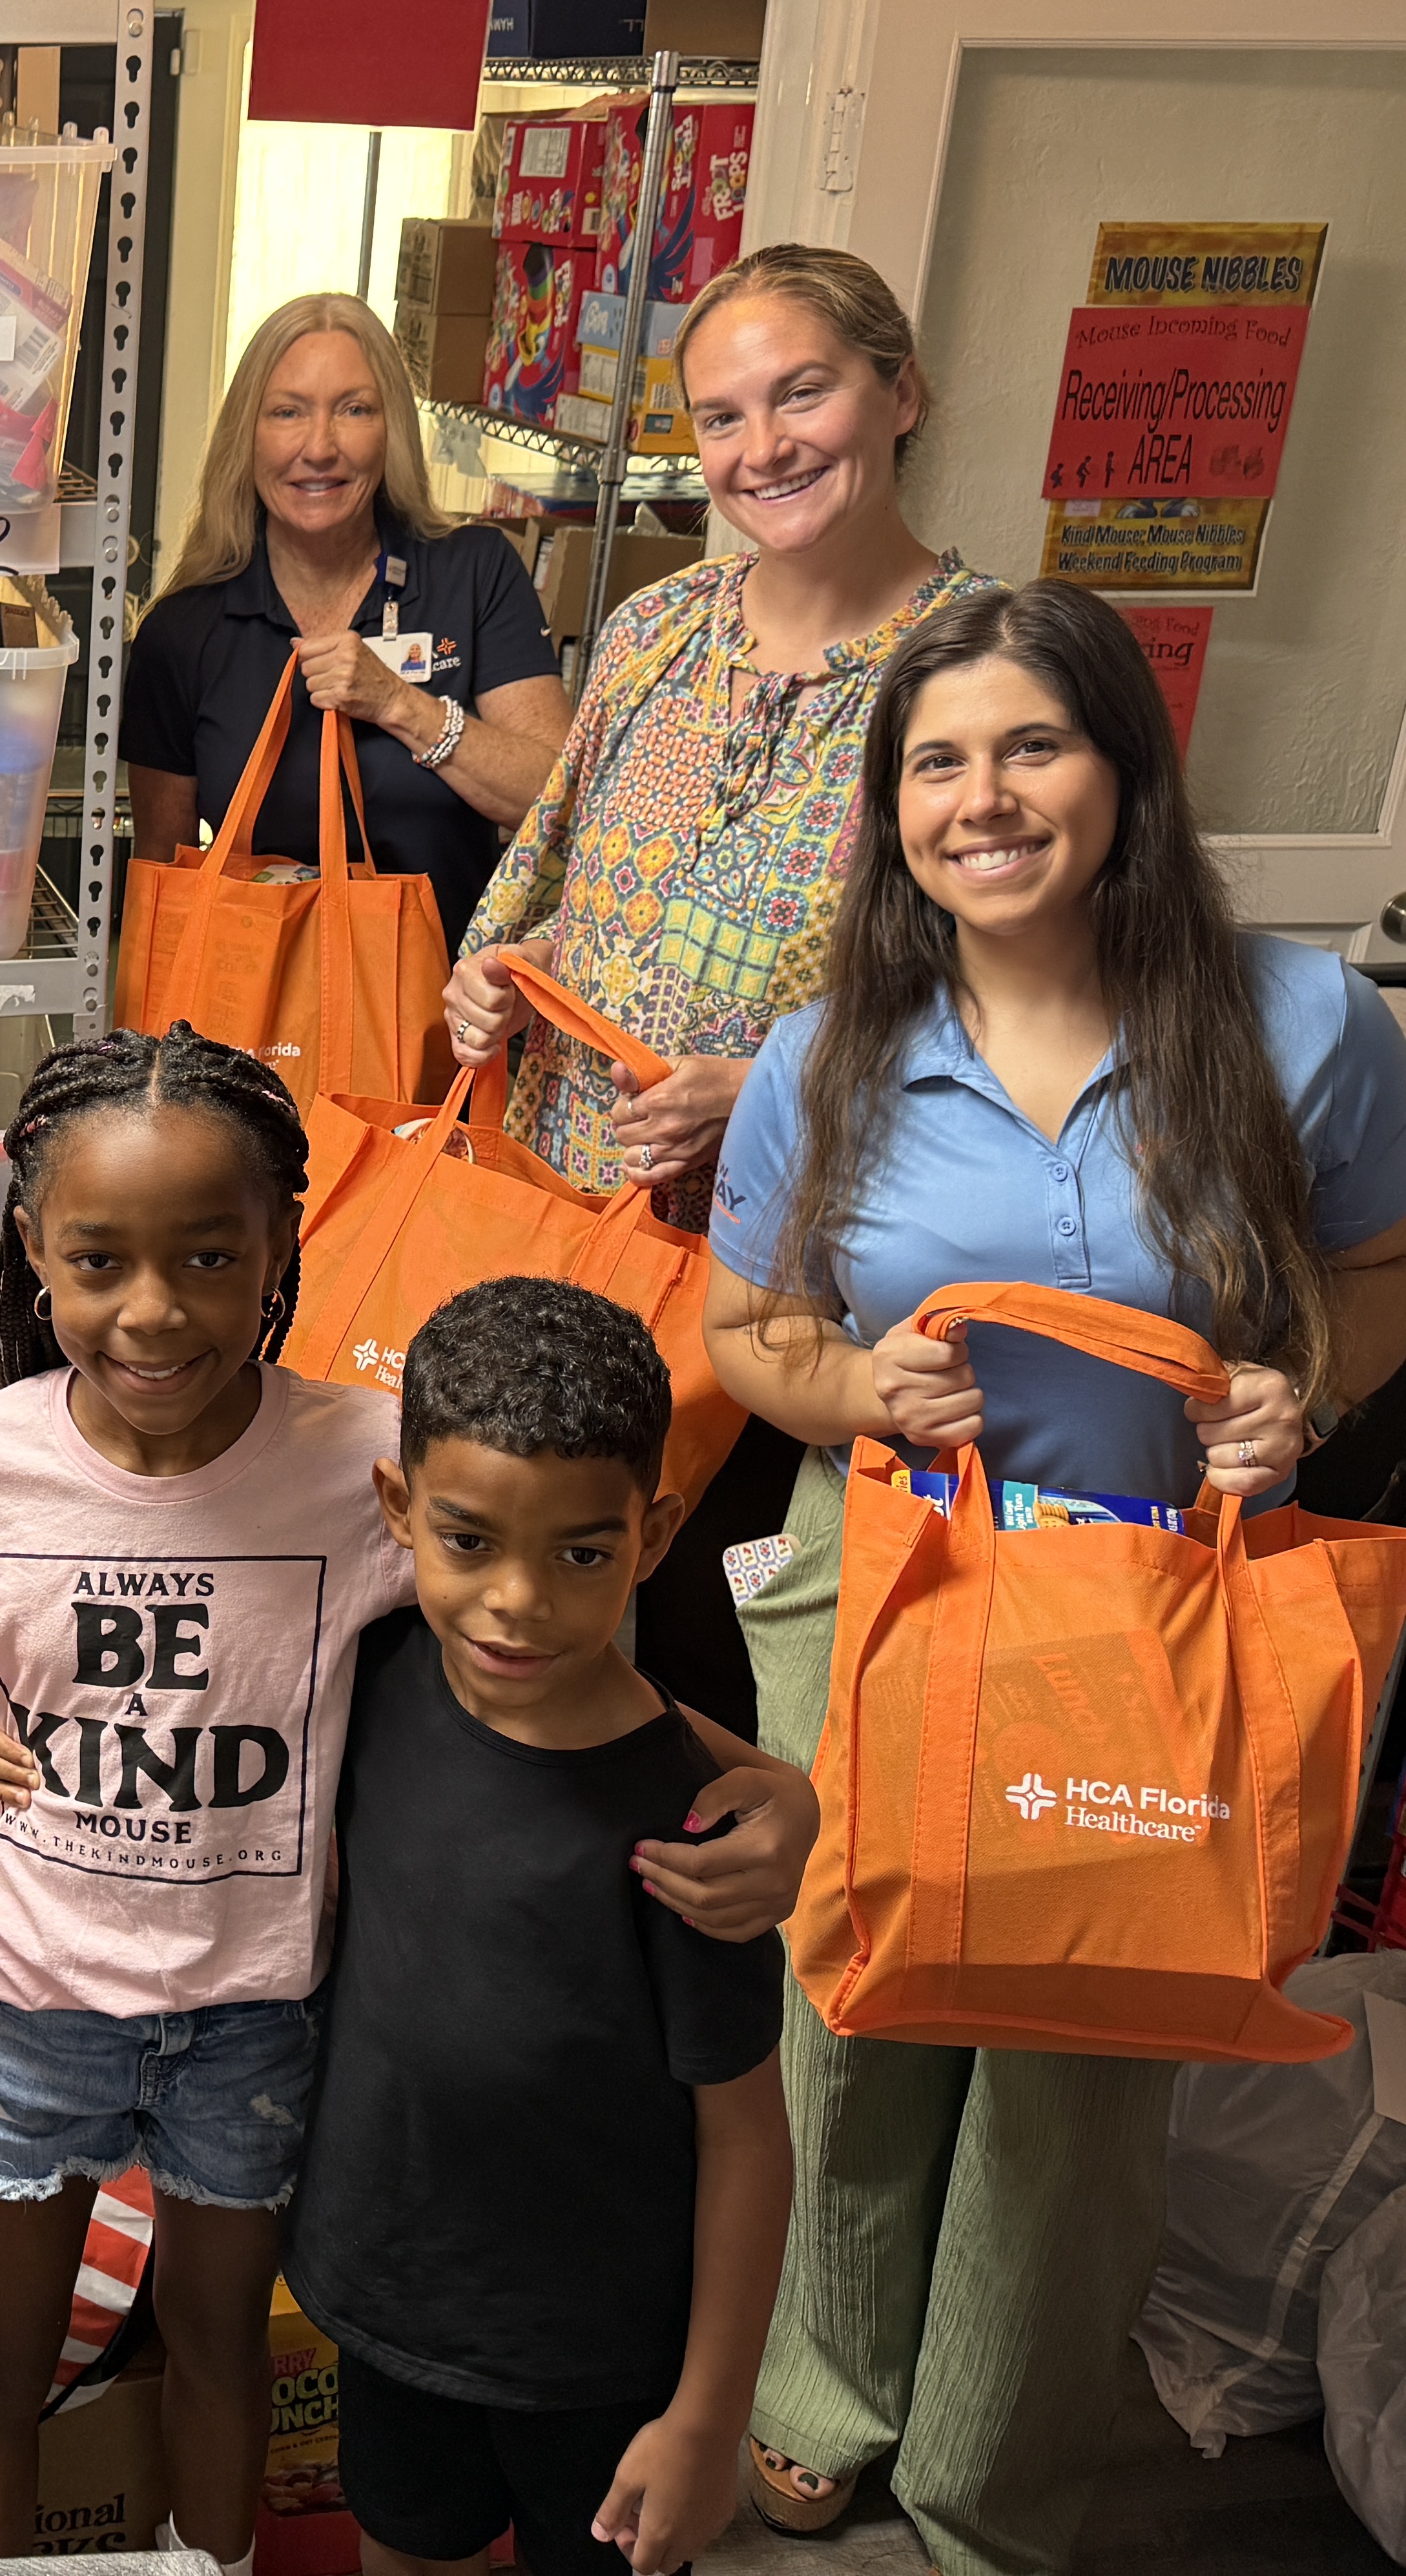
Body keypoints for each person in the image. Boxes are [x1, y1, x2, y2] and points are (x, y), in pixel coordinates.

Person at [699, 578, 1406, 2576]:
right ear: (889, 811)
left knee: (1075, 2069)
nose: (984, 797)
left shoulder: (1299, 1024)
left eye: (1030, 744)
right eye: (934, 762)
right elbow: (737, 1331)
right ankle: (820, 2393)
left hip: (1156, 1621)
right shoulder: (825, 1052)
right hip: (896, 1603)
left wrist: (1303, 1394)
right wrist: (855, 1377)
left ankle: (989, 2479)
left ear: (1120, 765)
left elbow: (1380, 1267)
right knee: (851, 2023)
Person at [0, 1024, 817, 2570]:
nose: (156, 1311)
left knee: (221, 2344)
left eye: (208, 1257)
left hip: (255, 2009)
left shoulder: (365, 1465)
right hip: (20, 1992)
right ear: (33, 1246)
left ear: (277, 1253)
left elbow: (562, 1661)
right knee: (2, 2361)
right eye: (100, 1260)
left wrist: (783, 1797)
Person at [444, 244, 999, 1743]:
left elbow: (1039, 1015)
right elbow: (558, 885)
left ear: (901, 393)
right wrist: (509, 972)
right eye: (722, 417)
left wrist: (780, 1084)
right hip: (565, 1244)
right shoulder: (655, 632)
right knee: (539, 1637)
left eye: (802, 393)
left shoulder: (986, 680)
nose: (764, 449)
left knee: (713, 1688)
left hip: (789, 1310)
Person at [291, 1278, 789, 2576]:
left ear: (654, 1535)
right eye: (468, 1542)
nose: (517, 1602)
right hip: (391, 2302)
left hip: (604, 2363)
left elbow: (748, 2140)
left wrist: (709, 2415)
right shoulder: (374, 1673)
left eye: (580, 1554)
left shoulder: (691, 1832)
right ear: (402, 1512)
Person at [125, 294, 574, 934]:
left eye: (354, 410)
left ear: (390, 431)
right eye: (287, 413)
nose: (320, 447)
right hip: (255, 1016)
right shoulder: (182, 634)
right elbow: (162, 886)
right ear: (245, 437)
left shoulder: (474, 573)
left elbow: (555, 800)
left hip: (447, 1014)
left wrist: (401, 705)